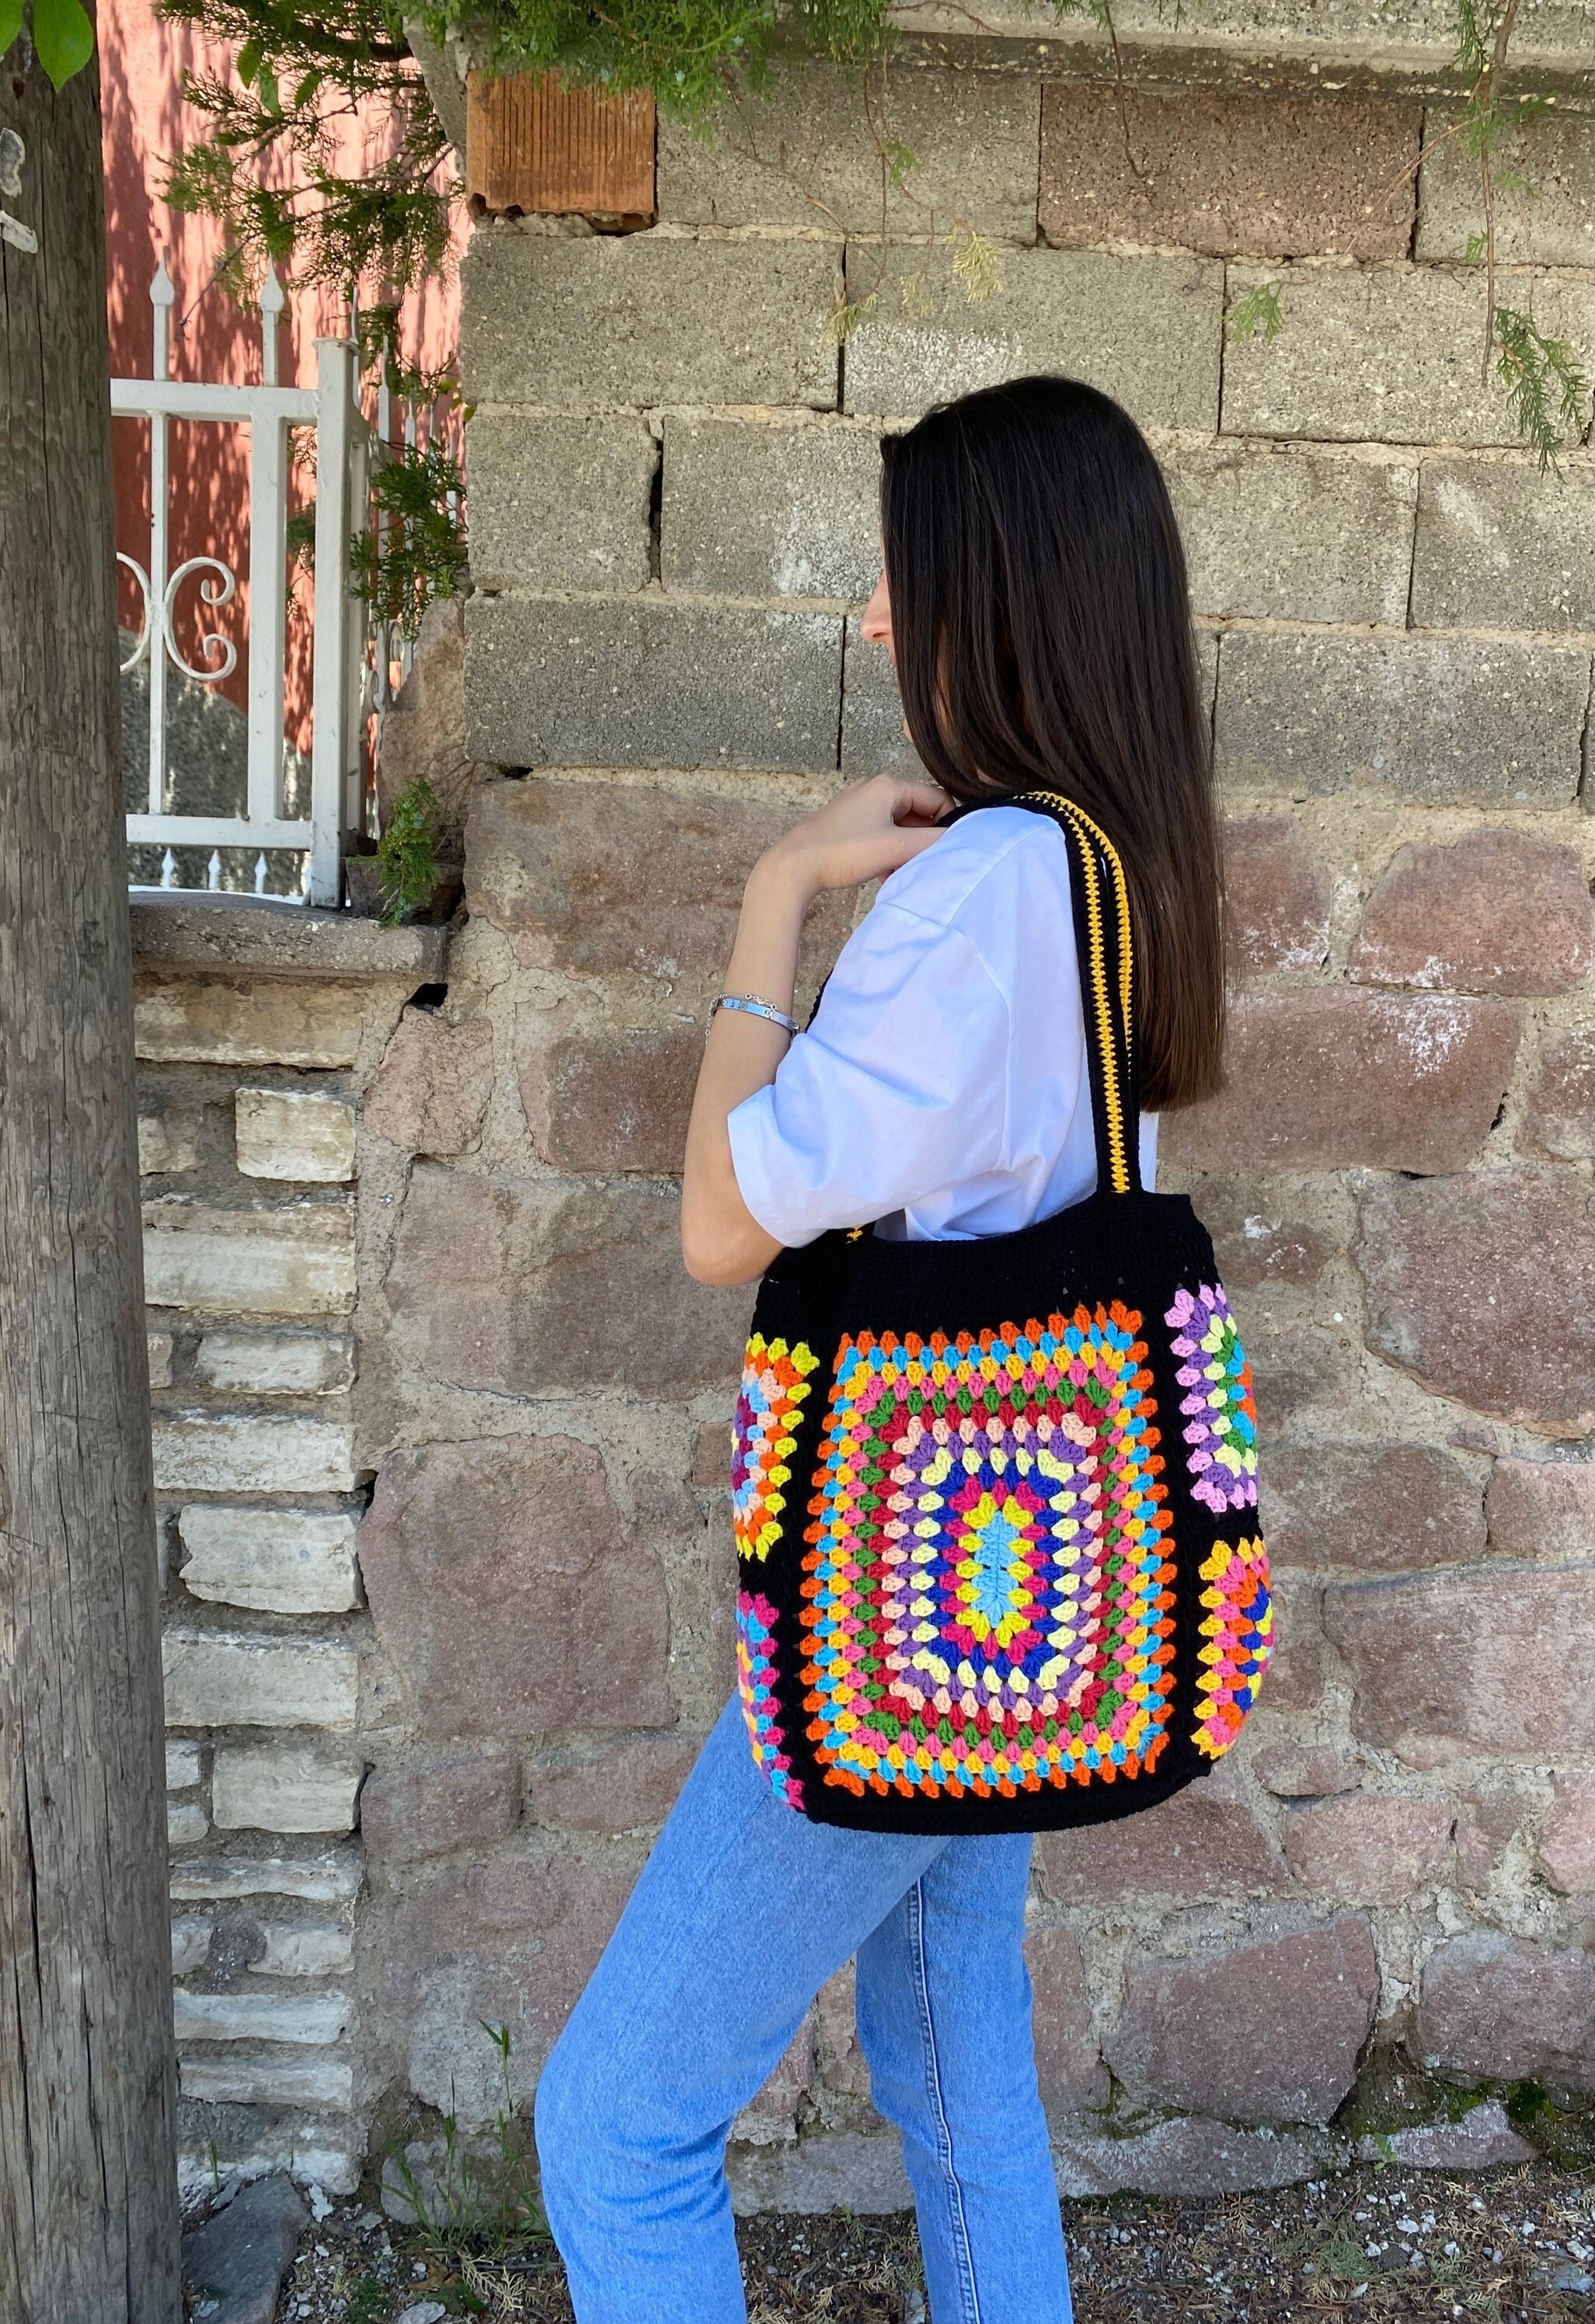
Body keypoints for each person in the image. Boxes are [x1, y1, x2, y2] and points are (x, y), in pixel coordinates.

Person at [534, 374, 1228, 2324]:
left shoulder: (980, 896)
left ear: (993, 599)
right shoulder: (1112, 869)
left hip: (903, 1595)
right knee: (950, 2059)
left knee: (615, 2121)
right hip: (1016, 1577)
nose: (873, 616)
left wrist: (780, 890)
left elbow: (720, 1222)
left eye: (901, 576)